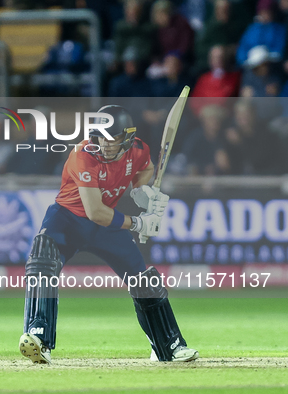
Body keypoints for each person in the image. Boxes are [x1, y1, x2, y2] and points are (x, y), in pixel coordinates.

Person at [19, 105, 199, 364]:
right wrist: (138, 223)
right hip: (67, 218)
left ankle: (168, 346)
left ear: (127, 138)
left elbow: (146, 167)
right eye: (101, 137)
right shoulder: (83, 156)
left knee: (142, 279)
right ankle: (38, 337)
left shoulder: (138, 150)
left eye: (112, 138)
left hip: (104, 228)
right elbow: (95, 212)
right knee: (42, 260)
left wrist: (140, 189)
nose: (105, 144)